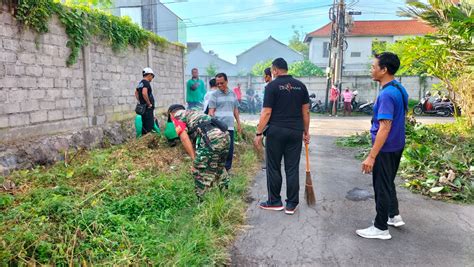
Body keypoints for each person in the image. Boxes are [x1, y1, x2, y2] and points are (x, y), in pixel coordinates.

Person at [356, 52, 409, 240]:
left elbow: (384, 128)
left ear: (384, 69)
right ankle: (393, 215)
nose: (371, 69)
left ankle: (380, 228)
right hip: (397, 145)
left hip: (386, 148)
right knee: (388, 182)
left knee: (381, 186)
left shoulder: (387, 94)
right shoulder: (399, 88)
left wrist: (371, 156)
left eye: (373, 66)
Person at [254, 58, 310, 215]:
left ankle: (275, 201)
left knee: (273, 167)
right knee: (292, 168)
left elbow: (266, 112)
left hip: (276, 132)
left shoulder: (271, 86)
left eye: (272, 70)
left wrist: (258, 132)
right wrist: (306, 131)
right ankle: (291, 204)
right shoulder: (301, 86)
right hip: (295, 132)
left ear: (275, 70)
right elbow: (305, 111)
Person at [167, 104, 230, 197]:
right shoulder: (193, 112)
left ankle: (203, 202)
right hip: (225, 136)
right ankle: (225, 196)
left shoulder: (177, 117)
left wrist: (194, 158)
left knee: (198, 170)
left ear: (171, 114)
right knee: (219, 167)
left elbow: (184, 138)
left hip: (211, 138)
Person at [208, 73, 242, 172]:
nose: (219, 85)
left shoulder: (233, 94)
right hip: (218, 127)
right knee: (219, 149)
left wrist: (239, 123)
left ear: (227, 81)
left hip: (230, 126)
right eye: (217, 83)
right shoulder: (214, 95)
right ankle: (218, 169)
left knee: (229, 150)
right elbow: (211, 111)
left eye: (221, 83)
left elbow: (235, 110)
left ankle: (227, 170)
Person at [135, 67, 156, 135]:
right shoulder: (146, 83)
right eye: (152, 76)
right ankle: (148, 140)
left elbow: (136, 92)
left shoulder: (140, 83)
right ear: (149, 75)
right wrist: (149, 103)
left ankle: (144, 139)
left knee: (144, 124)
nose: (152, 78)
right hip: (147, 108)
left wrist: (140, 101)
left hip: (143, 108)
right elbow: (144, 93)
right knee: (149, 125)